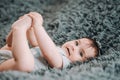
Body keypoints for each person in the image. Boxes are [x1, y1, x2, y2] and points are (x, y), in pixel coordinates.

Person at [0, 12, 99, 72]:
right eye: (76, 43)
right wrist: (31, 26)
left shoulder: (64, 63)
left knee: (26, 63)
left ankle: (19, 29)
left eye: (80, 53)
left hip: (13, 66)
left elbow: (49, 53)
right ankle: (18, 31)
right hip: (7, 56)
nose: (74, 47)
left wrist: (38, 26)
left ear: (81, 64)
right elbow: (36, 43)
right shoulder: (56, 48)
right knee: (15, 44)